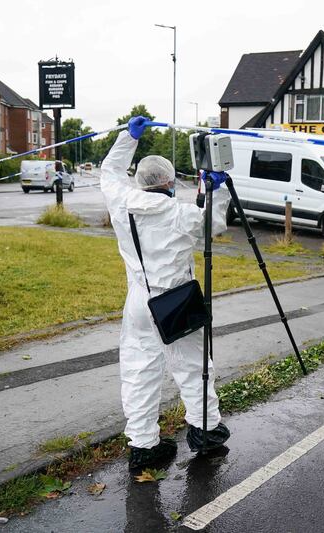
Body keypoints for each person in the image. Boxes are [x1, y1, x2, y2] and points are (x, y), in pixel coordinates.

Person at [101, 116, 230, 469]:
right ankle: (206, 432)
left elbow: (109, 173)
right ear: (170, 183)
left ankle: (144, 447)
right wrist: (218, 191)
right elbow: (213, 226)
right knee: (192, 366)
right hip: (176, 300)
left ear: (140, 181)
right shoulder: (179, 213)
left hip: (139, 302)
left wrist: (128, 137)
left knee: (139, 370)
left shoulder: (121, 203)